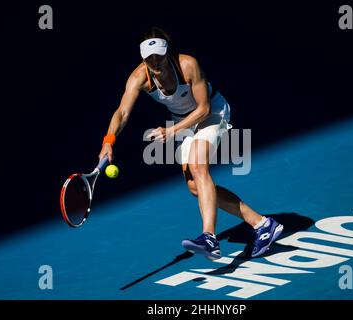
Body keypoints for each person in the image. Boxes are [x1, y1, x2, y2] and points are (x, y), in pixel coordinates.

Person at [98, 27, 283, 260]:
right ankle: (263, 224)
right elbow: (122, 112)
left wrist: (172, 131)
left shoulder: (187, 65)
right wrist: (109, 140)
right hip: (181, 120)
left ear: (168, 52)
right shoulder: (139, 78)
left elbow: (204, 108)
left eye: (159, 55)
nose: (155, 61)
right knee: (195, 187)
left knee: (198, 167)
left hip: (211, 112)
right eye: (149, 57)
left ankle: (209, 238)